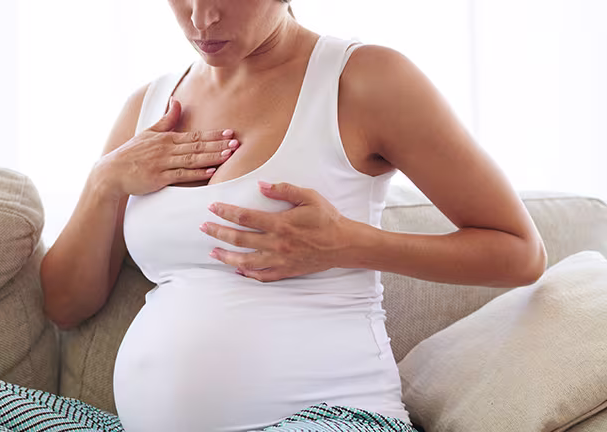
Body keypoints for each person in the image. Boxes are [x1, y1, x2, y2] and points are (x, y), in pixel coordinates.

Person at [40, 0, 547, 431]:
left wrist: (347, 243)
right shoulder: (147, 107)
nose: (201, 18)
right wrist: (103, 183)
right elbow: (65, 305)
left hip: (330, 418)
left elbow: (520, 253)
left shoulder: (362, 80)